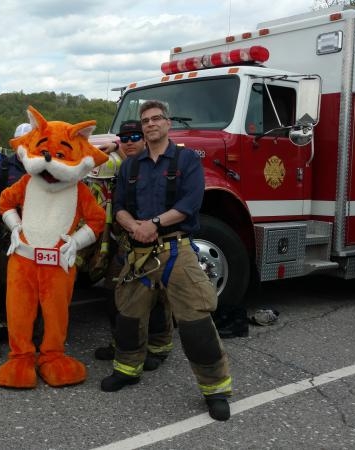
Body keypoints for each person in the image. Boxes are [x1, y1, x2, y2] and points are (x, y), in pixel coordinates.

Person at [102, 100, 233, 421]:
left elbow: (191, 202)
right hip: (138, 252)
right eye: (145, 120)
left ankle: (216, 390)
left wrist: (154, 224)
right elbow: (118, 204)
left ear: (167, 123)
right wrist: (133, 226)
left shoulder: (186, 160)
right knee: (129, 317)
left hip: (176, 249)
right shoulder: (130, 166)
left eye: (156, 118)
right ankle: (127, 369)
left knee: (195, 323)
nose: (149, 124)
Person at [92, 120, 175, 371]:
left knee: (157, 297)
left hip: (154, 243)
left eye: (135, 136)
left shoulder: (157, 166)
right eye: (124, 137)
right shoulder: (119, 162)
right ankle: (123, 343)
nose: (130, 142)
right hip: (122, 242)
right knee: (114, 294)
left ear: (145, 139)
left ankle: (158, 347)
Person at [0, 123, 31, 343]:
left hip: (37, 235)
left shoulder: (45, 165)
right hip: (7, 235)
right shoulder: (2, 169)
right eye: (20, 142)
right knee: (4, 282)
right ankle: (2, 324)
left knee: (33, 284)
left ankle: (30, 325)